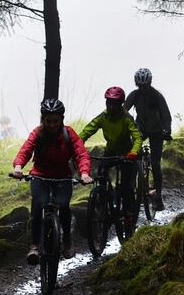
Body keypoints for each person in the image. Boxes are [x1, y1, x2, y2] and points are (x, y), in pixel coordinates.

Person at [12, 98, 92, 263]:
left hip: (62, 176)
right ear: (43, 119)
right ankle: (34, 246)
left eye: (56, 121)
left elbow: (81, 154)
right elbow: (26, 150)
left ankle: (67, 240)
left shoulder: (69, 133)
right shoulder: (37, 133)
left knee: (63, 205)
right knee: (38, 205)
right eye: (48, 121)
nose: (52, 125)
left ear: (61, 119)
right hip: (40, 175)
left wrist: (84, 173)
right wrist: (18, 166)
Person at [79, 86, 143, 234]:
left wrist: (134, 152)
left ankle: (128, 213)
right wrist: (78, 145)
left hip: (126, 154)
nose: (111, 106)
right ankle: (103, 202)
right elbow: (87, 131)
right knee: (101, 172)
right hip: (111, 151)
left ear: (121, 104)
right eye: (109, 103)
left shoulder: (126, 118)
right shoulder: (103, 116)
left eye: (115, 103)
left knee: (126, 186)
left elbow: (137, 137)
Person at [124, 67, 173, 211]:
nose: (143, 89)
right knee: (132, 157)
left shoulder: (157, 96)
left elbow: (166, 115)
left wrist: (167, 130)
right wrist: (127, 123)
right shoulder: (134, 95)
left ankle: (158, 194)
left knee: (156, 163)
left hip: (157, 131)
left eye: (145, 86)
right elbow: (124, 110)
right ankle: (131, 187)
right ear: (137, 84)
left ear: (149, 83)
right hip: (141, 129)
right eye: (140, 86)